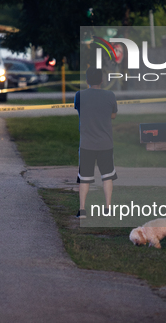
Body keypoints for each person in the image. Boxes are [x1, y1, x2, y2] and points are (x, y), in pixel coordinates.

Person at [74, 67, 118, 218]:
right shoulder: (110, 95)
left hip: (86, 143)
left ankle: (82, 210)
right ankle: (108, 208)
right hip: (106, 143)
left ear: (86, 80)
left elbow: (79, 110)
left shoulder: (79, 95)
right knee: (107, 176)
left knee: (84, 177)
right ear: (102, 80)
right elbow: (113, 115)